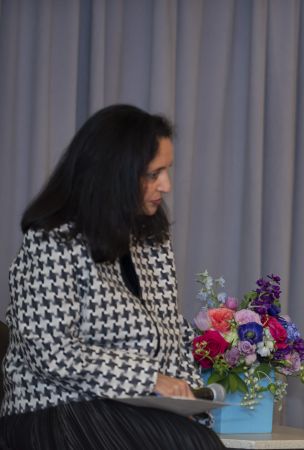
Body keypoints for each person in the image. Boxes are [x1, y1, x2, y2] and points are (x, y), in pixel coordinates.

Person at [0, 104, 225, 449]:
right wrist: (149, 379)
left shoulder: (151, 241)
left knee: (197, 439)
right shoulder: (52, 240)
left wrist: (187, 398)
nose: (166, 185)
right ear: (114, 174)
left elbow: (172, 337)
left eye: (167, 170)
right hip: (53, 411)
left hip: (130, 410)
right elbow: (51, 354)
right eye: (154, 173)